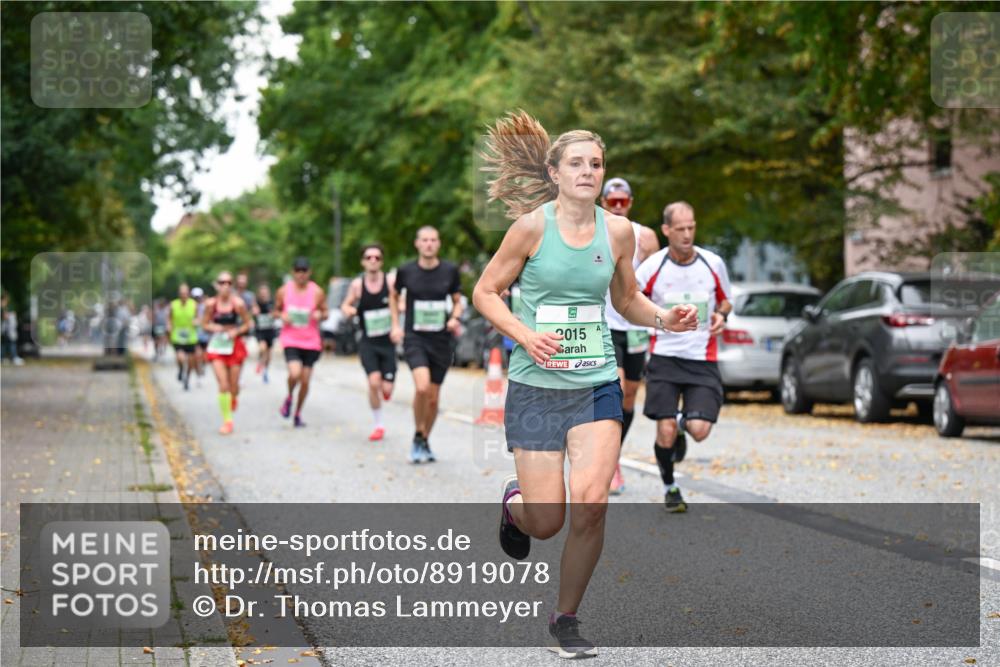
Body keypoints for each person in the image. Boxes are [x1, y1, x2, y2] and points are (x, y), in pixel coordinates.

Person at [472, 111, 698, 659]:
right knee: (547, 521)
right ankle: (515, 507)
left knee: (592, 504)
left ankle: (565, 618)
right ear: (554, 172)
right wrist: (525, 335)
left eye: (595, 164)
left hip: (595, 381)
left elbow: (625, 299)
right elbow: (485, 292)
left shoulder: (618, 232)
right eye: (576, 163)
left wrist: (664, 318)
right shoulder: (531, 228)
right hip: (535, 386)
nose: (588, 172)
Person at [635, 201, 733, 513]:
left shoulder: (712, 263)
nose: (687, 234)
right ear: (666, 230)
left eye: (691, 227)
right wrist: (653, 320)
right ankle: (670, 488)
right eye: (680, 229)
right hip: (664, 357)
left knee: (700, 430)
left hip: (702, 358)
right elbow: (631, 301)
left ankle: (681, 423)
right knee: (663, 430)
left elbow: (727, 301)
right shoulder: (652, 267)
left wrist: (721, 316)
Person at [600, 177, 660, 495]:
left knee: (630, 394)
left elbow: (656, 281)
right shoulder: (592, 231)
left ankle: (614, 453)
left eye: (623, 201)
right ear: (603, 202)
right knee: (618, 387)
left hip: (635, 327)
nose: (618, 206)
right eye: (613, 201)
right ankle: (609, 464)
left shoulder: (645, 236)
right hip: (606, 323)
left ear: (630, 203)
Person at [389, 226, 463, 464]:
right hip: (415, 338)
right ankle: (419, 435)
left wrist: (455, 317)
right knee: (422, 388)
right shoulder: (406, 271)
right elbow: (393, 296)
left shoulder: (450, 271)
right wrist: (395, 324)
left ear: (438, 244)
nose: (429, 244)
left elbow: (457, 301)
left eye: (433, 240)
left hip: (441, 340)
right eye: (425, 240)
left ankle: (423, 439)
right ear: (417, 244)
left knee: (433, 397)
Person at [342, 244, 397, 442]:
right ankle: (378, 424)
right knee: (374, 382)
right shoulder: (357, 285)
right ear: (363, 262)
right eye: (369, 257)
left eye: (377, 257)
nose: (373, 260)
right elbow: (345, 305)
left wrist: (397, 322)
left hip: (387, 342)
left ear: (381, 261)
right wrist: (349, 311)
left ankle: (386, 390)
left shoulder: (390, 282)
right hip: (368, 341)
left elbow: (399, 303)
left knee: (387, 389)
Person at [276, 257, 327, 428]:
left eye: (304, 271)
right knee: (295, 373)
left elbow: (325, 311)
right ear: (293, 272)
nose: (301, 274)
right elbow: (275, 311)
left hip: (311, 342)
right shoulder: (284, 291)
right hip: (291, 339)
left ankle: (298, 412)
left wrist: (321, 315)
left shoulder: (317, 292)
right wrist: (281, 315)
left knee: (305, 380)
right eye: (298, 271)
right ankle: (289, 396)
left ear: (309, 272)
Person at [202, 272, 251, 435]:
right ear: (217, 285)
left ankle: (234, 397)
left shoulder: (238, 304)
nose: (225, 286)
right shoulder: (211, 304)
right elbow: (204, 324)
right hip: (217, 347)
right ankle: (227, 421)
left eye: (229, 283)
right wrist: (214, 327)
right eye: (222, 282)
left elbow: (248, 323)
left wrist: (236, 331)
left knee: (233, 386)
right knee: (223, 385)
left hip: (234, 346)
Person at [168, 283, 199, 391]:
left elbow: (198, 317)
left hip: (190, 336)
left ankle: (187, 379)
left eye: (185, 293)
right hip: (177, 335)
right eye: (182, 293)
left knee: (190, 362)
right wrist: (169, 326)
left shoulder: (194, 304)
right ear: (179, 294)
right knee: (180, 357)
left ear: (188, 294)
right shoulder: (173, 304)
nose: (184, 295)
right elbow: (169, 318)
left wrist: (196, 321)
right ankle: (181, 369)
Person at [253, 283, 277, 383]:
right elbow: (252, 312)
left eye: (265, 292)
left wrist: (274, 314)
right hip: (260, 330)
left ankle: (265, 370)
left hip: (270, 330)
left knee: (269, 354)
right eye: (262, 292)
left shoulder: (272, 302)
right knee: (263, 348)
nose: (263, 294)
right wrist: (254, 312)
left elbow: (277, 313)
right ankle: (260, 361)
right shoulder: (256, 302)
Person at [1, 291, 24, 365]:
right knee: (11, 342)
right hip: (5, 328)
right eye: (7, 298)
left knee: (5, 343)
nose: (8, 300)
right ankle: (14, 357)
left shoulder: (4, 307)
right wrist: (10, 315)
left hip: (6, 328)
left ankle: (3, 358)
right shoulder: (2, 306)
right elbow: (4, 316)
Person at [191, 287, 208, 386]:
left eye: (198, 297)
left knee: (205, 357)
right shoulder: (191, 306)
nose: (197, 299)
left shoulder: (206, 306)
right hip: (194, 335)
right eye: (195, 297)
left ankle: (203, 367)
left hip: (205, 335)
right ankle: (198, 376)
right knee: (197, 356)